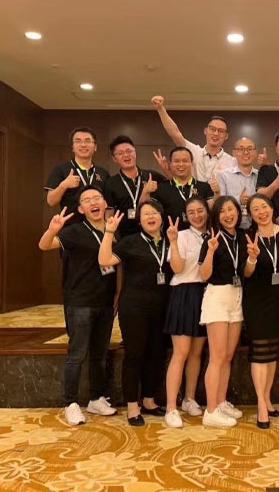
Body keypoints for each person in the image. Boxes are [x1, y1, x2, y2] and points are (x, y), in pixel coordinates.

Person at [38, 187, 117, 426]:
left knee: (100, 354)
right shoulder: (74, 231)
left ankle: (96, 398)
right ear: (81, 209)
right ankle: (70, 403)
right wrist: (52, 229)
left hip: (105, 301)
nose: (93, 203)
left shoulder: (112, 229)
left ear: (104, 203)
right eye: (87, 200)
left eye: (97, 198)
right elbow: (44, 245)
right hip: (80, 302)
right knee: (77, 354)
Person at [98, 200, 170, 426]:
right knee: (134, 355)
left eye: (154, 213)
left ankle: (149, 400)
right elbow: (104, 260)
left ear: (162, 217)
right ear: (139, 220)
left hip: (162, 306)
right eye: (145, 214)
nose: (151, 217)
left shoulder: (171, 241)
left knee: (155, 353)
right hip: (134, 307)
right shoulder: (130, 242)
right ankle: (132, 406)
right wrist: (109, 232)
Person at [242, 194, 279, 429]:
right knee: (260, 352)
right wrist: (252, 259)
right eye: (255, 209)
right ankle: (260, 405)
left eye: (264, 206)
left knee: (273, 351)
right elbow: (245, 274)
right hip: (256, 301)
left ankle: (267, 397)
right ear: (251, 215)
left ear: (272, 208)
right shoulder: (247, 236)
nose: (261, 212)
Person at [198, 196, 247, 427]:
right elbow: (204, 275)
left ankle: (221, 401)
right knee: (217, 357)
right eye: (222, 211)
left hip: (236, 296)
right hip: (217, 295)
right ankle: (210, 411)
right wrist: (210, 252)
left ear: (238, 212)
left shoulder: (241, 237)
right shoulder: (212, 237)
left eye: (231, 209)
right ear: (216, 216)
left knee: (227, 356)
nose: (228, 215)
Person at [163, 197, 210, 428]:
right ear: (186, 215)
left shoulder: (213, 236)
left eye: (200, 211)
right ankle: (171, 407)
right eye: (191, 212)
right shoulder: (180, 235)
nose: (197, 216)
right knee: (180, 352)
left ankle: (189, 398)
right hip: (183, 293)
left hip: (205, 294)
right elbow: (178, 268)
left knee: (196, 353)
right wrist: (172, 242)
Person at [151, 95, 237, 185]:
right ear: (205, 131)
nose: (216, 133)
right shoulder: (193, 151)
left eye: (221, 131)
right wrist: (160, 109)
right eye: (212, 129)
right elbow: (175, 133)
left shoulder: (232, 162)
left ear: (226, 136)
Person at [103, 135, 166, 236]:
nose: (126, 155)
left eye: (129, 151)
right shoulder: (110, 183)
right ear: (114, 159)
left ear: (135, 152)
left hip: (151, 232)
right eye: (120, 153)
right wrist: (110, 233)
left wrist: (166, 168)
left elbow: (173, 184)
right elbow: (109, 213)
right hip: (124, 235)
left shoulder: (151, 175)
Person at [45, 126, 110, 221]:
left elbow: (108, 205)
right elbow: (51, 201)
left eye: (88, 141)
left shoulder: (103, 173)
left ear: (95, 147)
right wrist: (64, 185)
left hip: (97, 226)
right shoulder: (60, 169)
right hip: (71, 226)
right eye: (78, 141)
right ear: (72, 147)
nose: (83, 145)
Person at [153, 147, 215, 229]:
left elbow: (213, 211)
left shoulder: (204, 187)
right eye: (177, 161)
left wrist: (217, 193)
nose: (181, 164)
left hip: (201, 235)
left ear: (192, 163)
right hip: (172, 235)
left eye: (185, 161)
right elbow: (150, 212)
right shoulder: (161, 188)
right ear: (170, 164)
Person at [216, 137, 259, 229]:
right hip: (232, 227)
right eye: (241, 149)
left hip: (258, 226)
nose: (246, 152)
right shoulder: (223, 175)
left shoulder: (260, 176)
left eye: (249, 149)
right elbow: (220, 204)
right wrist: (239, 200)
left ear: (255, 153)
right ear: (234, 153)